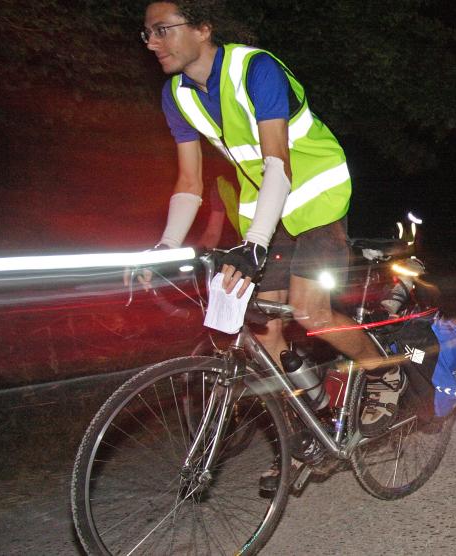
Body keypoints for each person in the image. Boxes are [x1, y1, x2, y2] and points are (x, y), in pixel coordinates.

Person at [137, 2, 404, 472]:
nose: (152, 43)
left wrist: (255, 245)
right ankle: (318, 413)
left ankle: (387, 374)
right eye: (146, 35)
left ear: (202, 28)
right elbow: (188, 183)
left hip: (315, 192)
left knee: (309, 309)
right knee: (263, 326)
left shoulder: (254, 69)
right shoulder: (176, 94)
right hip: (263, 206)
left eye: (162, 30)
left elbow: (277, 162)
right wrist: (165, 247)